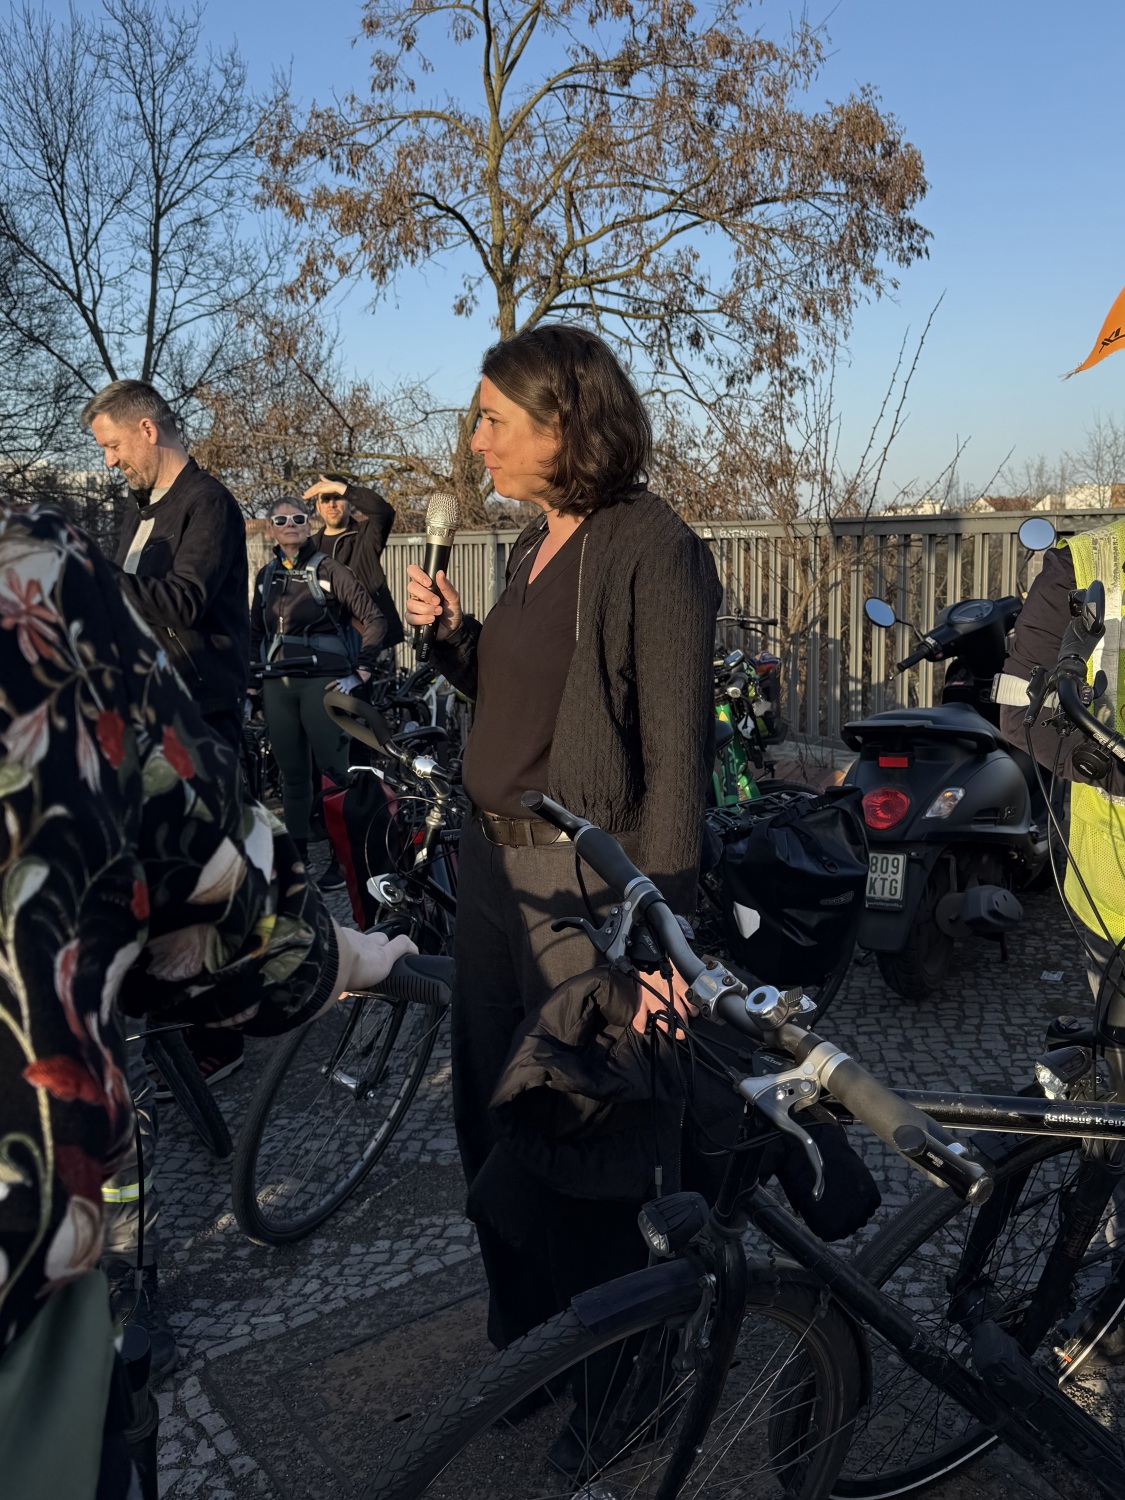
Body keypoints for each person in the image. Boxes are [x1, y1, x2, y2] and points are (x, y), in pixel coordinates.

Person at [0, 498, 414, 1498]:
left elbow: (369, 622)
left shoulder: (276, 535)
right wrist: (329, 962)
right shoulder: (32, 578)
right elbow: (211, 886)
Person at [404, 325, 721, 1373]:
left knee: (582, 1134)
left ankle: (619, 1381)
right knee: (491, 1119)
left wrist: (662, 948)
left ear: (567, 422)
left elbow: (677, 762)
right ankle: (535, 1349)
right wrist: (459, 643)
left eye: (494, 420)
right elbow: (527, 710)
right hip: (493, 874)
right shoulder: (531, 544)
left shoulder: (651, 548)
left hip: (582, 888)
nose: (476, 442)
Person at [81, 378, 253, 1338]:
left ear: (148, 431)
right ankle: (185, 1030)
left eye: (112, 445)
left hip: (203, 727)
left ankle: (217, 1034)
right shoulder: (144, 513)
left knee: (197, 896)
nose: (110, 462)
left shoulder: (208, 507)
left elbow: (182, 607)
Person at [251, 498, 386, 891]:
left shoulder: (329, 570)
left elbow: (373, 620)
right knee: (292, 777)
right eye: (281, 520)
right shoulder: (265, 577)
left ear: (308, 526)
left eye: (297, 518)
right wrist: (251, 688)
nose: (290, 524)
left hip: (323, 683)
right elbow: (254, 634)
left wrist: (360, 671)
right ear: (271, 529)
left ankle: (347, 860)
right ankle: (298, 861)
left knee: (335, 773)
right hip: (277, 685)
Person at [303, 474, 405, 651]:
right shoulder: (309, 547)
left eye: (338, 497)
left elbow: (383, 512)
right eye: (325, 499)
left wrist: (346, 489)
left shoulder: (365, 535)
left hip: (371, 639)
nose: (332, 504)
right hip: (328, 644)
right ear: (318, 506)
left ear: (349, 502)